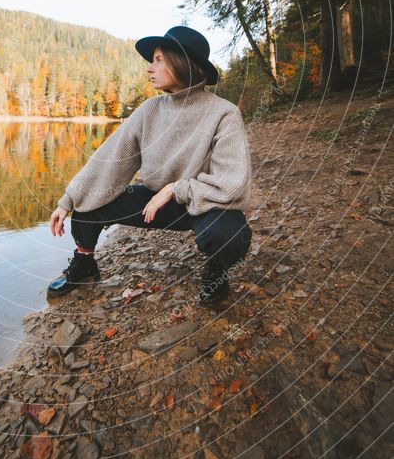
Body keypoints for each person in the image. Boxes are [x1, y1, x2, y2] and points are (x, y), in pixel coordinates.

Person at [48, 25, 253, 308]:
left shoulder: (224, 113)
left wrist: (175, 188)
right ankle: (84, 262)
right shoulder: (149, 110)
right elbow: (109, 160)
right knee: (89, 200)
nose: (150, 67)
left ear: (182, 63)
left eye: (158, 59)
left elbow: (231, 183)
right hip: (154, 203)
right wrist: (67, 201)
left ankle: (216, 271)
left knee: (227, 235)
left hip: (204, 203)